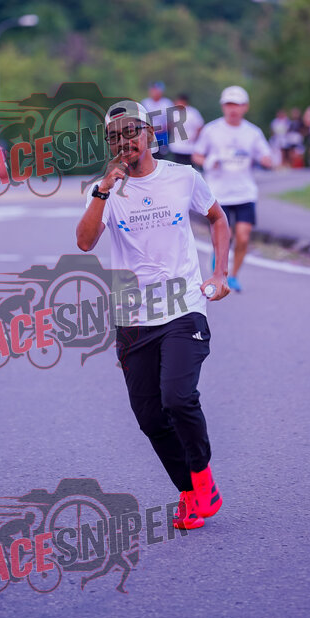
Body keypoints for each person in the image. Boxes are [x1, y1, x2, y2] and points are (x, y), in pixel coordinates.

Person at [76, 99, 231, 530]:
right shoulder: (104, 190)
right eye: (114, 136)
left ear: (149, 135)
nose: (124, 141)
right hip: (132, 318)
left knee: (177, 398)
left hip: (184, 308)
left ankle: (202, 478)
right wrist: (103, 191)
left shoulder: (183, 177)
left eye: (131, 131)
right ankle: (189, 492)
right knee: (149, 417)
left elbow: (218, 218)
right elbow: (85, 242)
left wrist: (220, 273)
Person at [192, 86, 273, 293]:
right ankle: (220, 268)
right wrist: (208, 162)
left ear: (245, 107)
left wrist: (266, 160)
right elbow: (197, 155)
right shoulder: (211, 130)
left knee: (243, 237)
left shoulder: (253, 133)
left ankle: (234, 275)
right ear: (223, 106)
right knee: (223, 237)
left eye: (237, 104)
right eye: (229, 104)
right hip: (218, 193)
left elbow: (266, 156)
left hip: (245, 192)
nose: (233, 109)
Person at [168, 93, 204, 166]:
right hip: (176, 145)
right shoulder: (174, 113)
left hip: (189, 146)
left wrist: (195, 138)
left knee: (188, 166)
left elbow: (200, 127)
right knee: (177, 166)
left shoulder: (193, 112)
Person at [141, 81, 174, 159]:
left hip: (163, 133)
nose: (154, 93)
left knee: (162, 156)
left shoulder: (167, 103)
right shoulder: (145, 102)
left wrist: (164, 128)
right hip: (149, 133)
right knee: (149, 155)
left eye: (157, 90)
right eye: (153, 90)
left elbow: (172, 120)